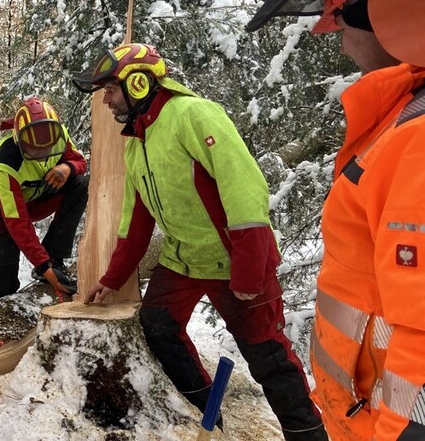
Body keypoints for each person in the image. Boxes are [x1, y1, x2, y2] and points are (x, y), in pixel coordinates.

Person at [75, 43, 327, 440]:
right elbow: (135, 216)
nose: (105, 99)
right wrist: (112, 277)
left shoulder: (194, 114)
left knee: (268, 358)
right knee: (157, 325)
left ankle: (308, 436)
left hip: (232, 258)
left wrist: (248, 269)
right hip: (183, 258)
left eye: (110, 89)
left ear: (138, 83)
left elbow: (243, 186)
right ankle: (204, 411)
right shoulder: (138, 140)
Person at [246, 0, 425, 441]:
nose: (341, 40)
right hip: (362, 420)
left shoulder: (416, 139)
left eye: (344, 17)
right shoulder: (401, 118)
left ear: (390, 9)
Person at [0, 95, 88, 306]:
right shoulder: (4, 163)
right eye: (36, 149)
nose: (43, 153)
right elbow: (17, 222)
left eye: (48, 147)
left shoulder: (59, 135)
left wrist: (67, 167)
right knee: (4, 285)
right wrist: (44, 266)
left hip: (37, 199)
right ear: (20, 141)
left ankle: (56, 254)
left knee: (79, 184)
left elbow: (80, 161)